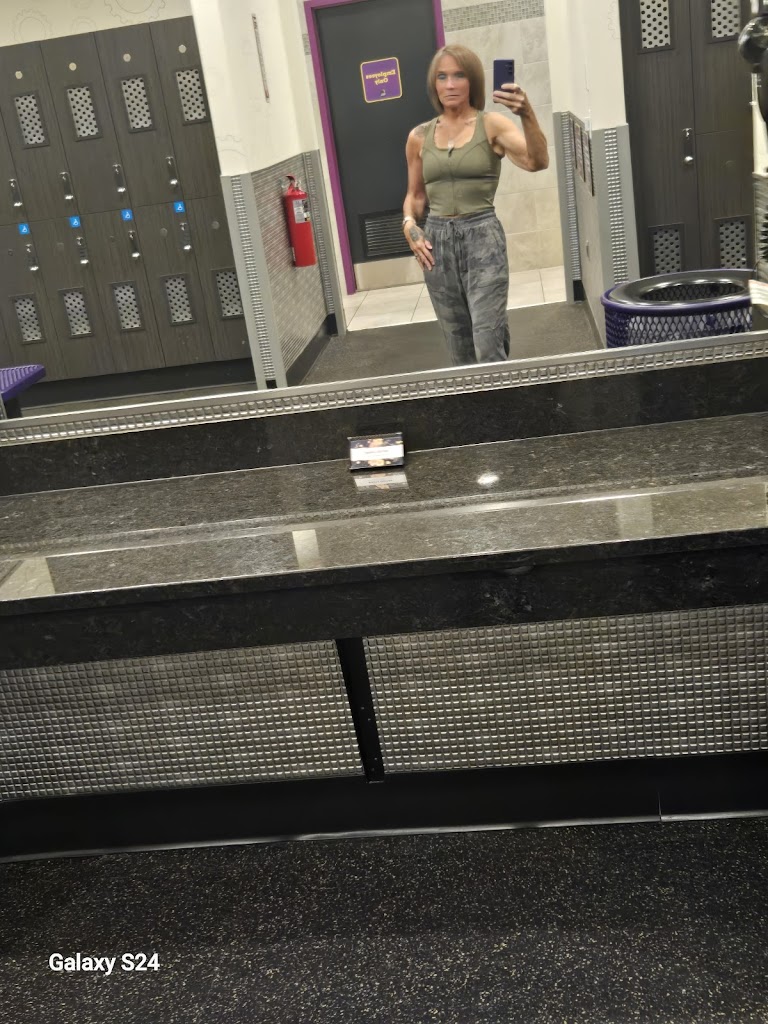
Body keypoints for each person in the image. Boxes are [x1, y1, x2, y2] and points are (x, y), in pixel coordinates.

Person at [402, 45, 549, 366]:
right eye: (442, 77)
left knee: (487, 340)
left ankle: (501, 395)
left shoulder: (492, 125)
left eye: (459, 75)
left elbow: (537, 161)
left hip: (482, 236)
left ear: (473, 81)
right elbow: (415, 195)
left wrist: (527, 113)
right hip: (437, 244)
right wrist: (409, 224)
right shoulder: (419, 137)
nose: (450, 85)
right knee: (459, 347)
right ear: (434, 84)